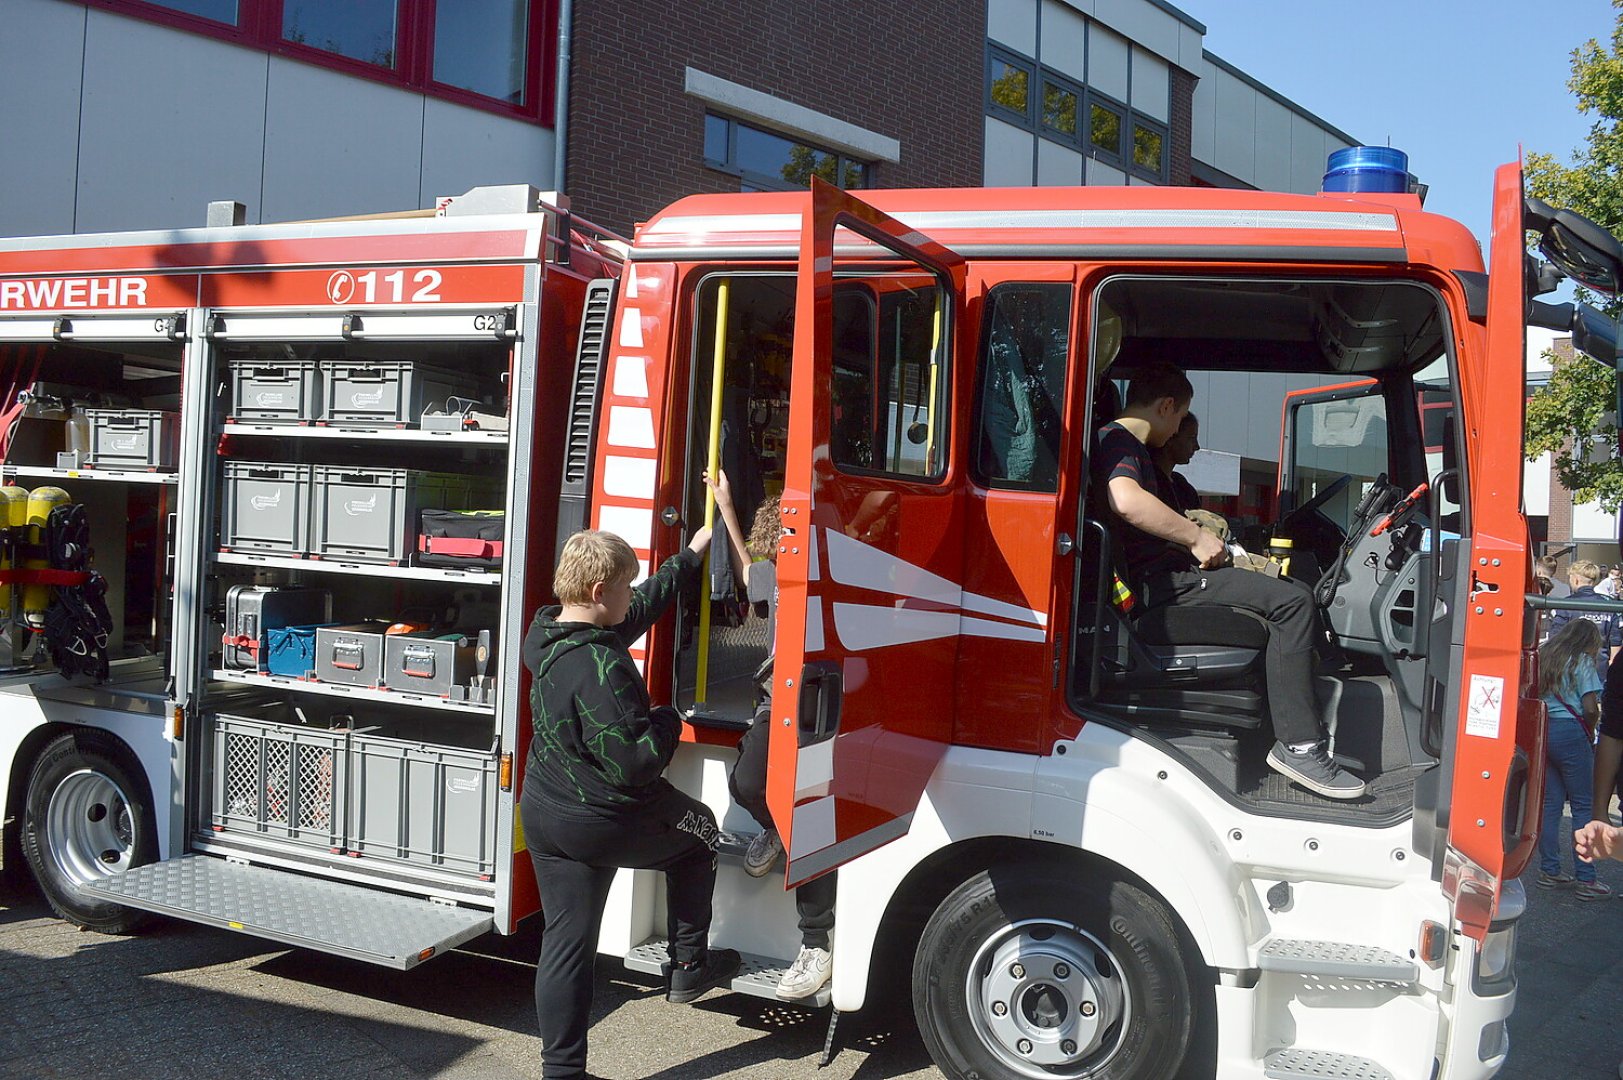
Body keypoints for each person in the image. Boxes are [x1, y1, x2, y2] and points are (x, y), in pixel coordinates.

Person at [520, 527, 742, 1080]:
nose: (630, 594)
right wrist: (668, 718)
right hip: (605, 818)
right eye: (624, 585)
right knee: (702, 833)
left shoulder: (549, 633)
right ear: (599, 591)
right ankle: (689, 964)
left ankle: (562, 1072)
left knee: (566, 943)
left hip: (547, 813)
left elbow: (639, 608)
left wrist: (691, 554)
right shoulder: (602, 668)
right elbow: (637, 763)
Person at [1093, 362, 1364, 800]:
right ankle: (1300, 746)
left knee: (1294, 592)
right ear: (1167, 407)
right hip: (1162, 585)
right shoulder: (1119, 443)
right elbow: (1124, 500)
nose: (1182, 429)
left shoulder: (1130, 449)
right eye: (1181, 420)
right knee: (1292, 604)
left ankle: (1300, 721)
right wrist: (1195, 536)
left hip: (1172, 576)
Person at [707, 468, 837, 1001]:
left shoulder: (826, 579)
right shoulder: (777, 580)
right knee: (746, 783)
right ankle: (775, 829)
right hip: (773, 701)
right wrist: (726, 507)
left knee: (809, 818)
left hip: (815, 708)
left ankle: (816, 946)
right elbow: (746, 570)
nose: (781, 552)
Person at [1536, 618, 1613, 898]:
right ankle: (1586, 878)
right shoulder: (1582, 661)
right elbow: (1591, 708)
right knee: (1584, 805)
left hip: (1544, 730)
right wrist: (1589, 730)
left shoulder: (1546, 655)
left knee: (1550, 805)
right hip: (1571, 731)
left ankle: (1550, 869)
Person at [1543, 559, 1623, 676]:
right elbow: (1615, 643)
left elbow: (1555, 640)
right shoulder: (1609, 605)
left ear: (1575, 579)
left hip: (1570, 671)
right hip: (1599, 670)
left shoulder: (1565, 605)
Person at [1150, 410, 1202, 513]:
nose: (1197, 446)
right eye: (1191, 438)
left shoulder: (1183, 486)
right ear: (1170, 437)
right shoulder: (1149, 481)